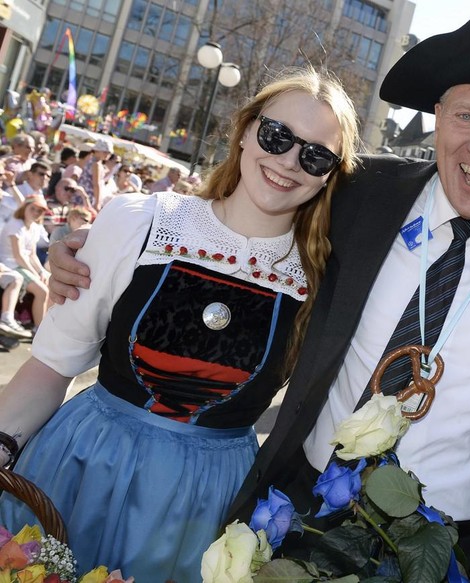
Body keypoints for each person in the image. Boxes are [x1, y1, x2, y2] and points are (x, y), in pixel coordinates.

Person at [48, 4, 470, 574]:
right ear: (438, 116)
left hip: (449, 545)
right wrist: (104, 240)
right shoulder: (359, 191)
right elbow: (244, 219)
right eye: (466, 116)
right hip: (301, 505)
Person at [0, 67, 361, 583]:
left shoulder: (322, 282)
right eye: (277, 136)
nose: (287, 161)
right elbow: (51, 367)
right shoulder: (139, 222)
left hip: (205, 511)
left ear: (331, 173)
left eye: (315, 155)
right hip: (80, 469)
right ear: (244, 130)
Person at [0, 194, 50, 330]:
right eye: (33, 208)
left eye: (39, 210)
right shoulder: (15, 225)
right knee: (42, 291)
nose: (36, 213)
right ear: (25, 207)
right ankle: (39, 328)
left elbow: (32, 254)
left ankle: (47, 323)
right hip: (11, 265)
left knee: (50, 281)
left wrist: (41, 272)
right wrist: (35, 273)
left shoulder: (34, 227)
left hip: (22, 265)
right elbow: (18, 256)